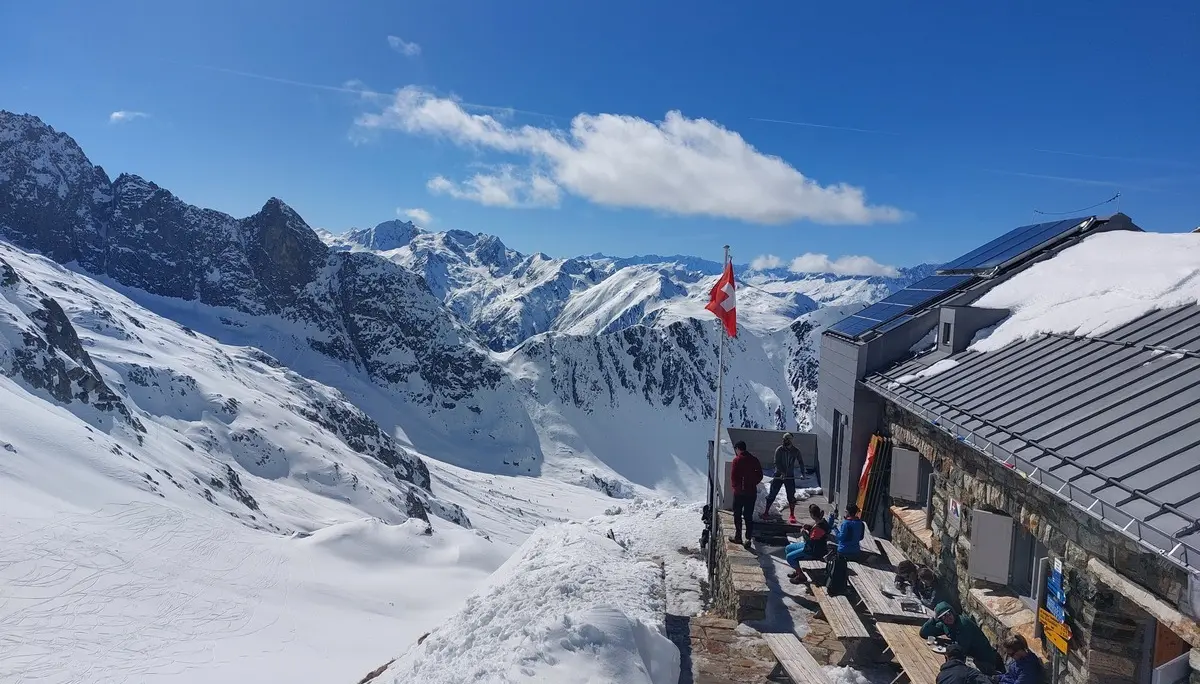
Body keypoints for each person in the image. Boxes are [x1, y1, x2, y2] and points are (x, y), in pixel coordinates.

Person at [921, 602, 1003, 676]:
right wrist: (933, 619)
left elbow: (961, 650)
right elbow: (924, 633)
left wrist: (946, 650)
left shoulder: (963, 624)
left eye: (948, 613)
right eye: (943, 617)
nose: (947, 617)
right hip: (970, 655)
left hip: (984, 660)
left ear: (953, 612)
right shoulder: (945, 625)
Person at [728, 441, 763, 550]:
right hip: (751, 492)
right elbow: (760, 475)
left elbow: (733, 477)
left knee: (737, 514)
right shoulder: (754, 459)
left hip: (739, 493)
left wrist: (736, 487)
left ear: (738, 449)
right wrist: (753, 483)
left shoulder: (737, 460)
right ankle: (748, 538)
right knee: (748, 516)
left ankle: (738, 536)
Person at [761, 432, 802, 523]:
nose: (784, 441)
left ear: (790, 441)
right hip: (778, 475)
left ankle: (792, 515)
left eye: (786, 439)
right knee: (772, 494)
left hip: (790, 476)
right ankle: (766, 512)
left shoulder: (795, 451)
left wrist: (803, 473)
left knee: (791, 495)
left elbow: (801, 462)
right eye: (784, 439)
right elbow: (776, 462)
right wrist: (782, 473)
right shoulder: (779, 450)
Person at [785, 504, 831, 584]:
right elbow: (815, 536)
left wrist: (803, 533)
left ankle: (801, 577)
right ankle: (797, 570)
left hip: (814, 551)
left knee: (789, 557)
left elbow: (810, 541)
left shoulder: (819, 527)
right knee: (788, 548)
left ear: (812, 515)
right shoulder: (821, 522)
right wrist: (809, 528)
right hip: (812, 546)